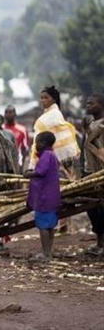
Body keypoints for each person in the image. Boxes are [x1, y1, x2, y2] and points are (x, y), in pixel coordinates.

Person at [25, 132, 61, 261]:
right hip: (51, 197)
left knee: (43, 226)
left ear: (44, 144)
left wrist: (29, 174)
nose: (36, 145)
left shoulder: (46, 155)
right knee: (50, 226)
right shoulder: (51, 155)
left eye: (38, 142)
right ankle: (48, 252)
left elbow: (41, 172)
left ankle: (45, 254)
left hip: (44, 198)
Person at [29, 86, 80, 170]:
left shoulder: (54, 115)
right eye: (41, 98)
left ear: (53, 99)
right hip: (48, 158)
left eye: (46, 97)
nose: (42, 100)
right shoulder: (48, 115)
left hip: (52, 159)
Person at [82, 93, 104, 255]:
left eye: (92, 103)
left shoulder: (101, 126)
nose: (88, 105)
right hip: (89, 172)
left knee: (101, 208)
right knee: (92, 209)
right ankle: (99, 242)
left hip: (100, 172)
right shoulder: (90, 125)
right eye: (87, 103)